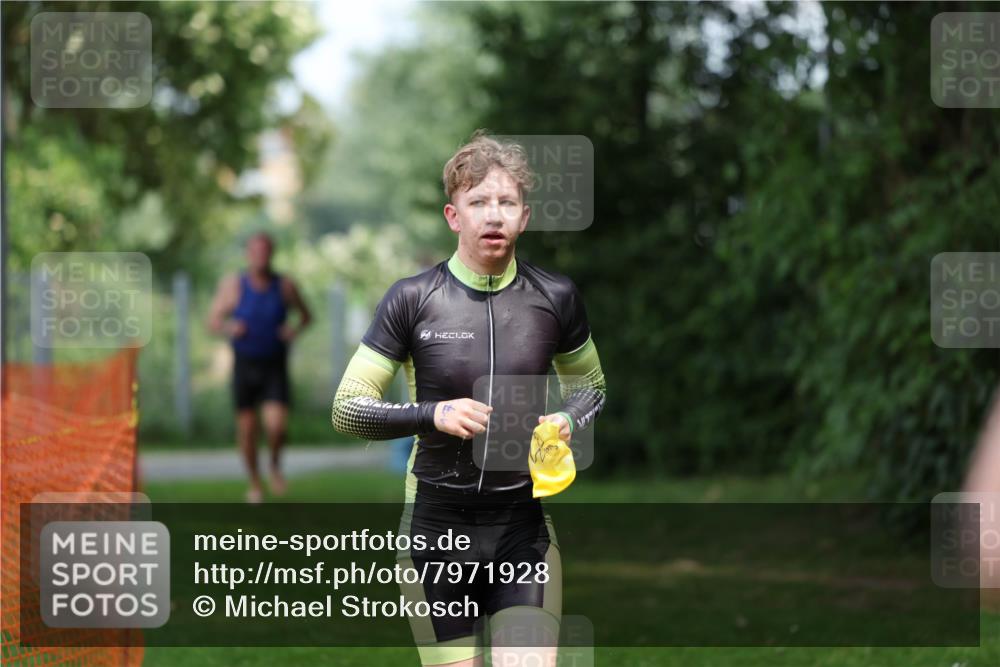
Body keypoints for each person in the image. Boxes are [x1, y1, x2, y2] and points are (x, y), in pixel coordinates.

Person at [331, 132, 606, 666]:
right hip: (435, 529)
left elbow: (590, 385)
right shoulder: (413, 299)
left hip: (522, 529)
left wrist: (568, 417)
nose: (494, 215)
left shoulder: (555, 297)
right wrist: (434, 413)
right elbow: (348, 407)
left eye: (506, 202)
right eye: (479, 202)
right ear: (454, 216)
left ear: (524, 217)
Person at [208, 232, 312, 503]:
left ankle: (275, 465)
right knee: (247, 429)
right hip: (245, 365)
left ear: (272, 254)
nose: (260, 256)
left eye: (265, 251)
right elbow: (214, 321)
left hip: (274, 365)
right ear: (247, 254)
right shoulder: (235, 285)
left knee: (276, 426)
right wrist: (231, 326)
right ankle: (255, 482)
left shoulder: (285, 285)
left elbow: (306, 316)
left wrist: (293, 330)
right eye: (255, 251)